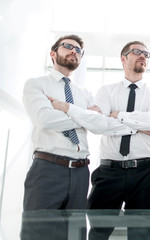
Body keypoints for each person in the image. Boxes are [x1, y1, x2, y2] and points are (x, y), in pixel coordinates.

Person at [49, 41, 150, 240]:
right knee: (98, 231)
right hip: (110, 171)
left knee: (142, 234)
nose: (143, 55)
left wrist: (117, 114)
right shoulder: (106, 91)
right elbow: (98, 122)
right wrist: (140, 125)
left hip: (146, 171)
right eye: (136, 52)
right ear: (123, 58)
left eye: (146, 53)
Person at [22, 34, 97, 211]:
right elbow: (44, 120)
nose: (74, 51)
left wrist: (74, 114)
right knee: (38, 231)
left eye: (78, 50)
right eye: (67, 46)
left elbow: (97, 124)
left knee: (74, 233)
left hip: (81, 171)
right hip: (48, 169)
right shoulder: (36, 84)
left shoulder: (85, 94)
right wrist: (84, 116)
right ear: (53, 54)